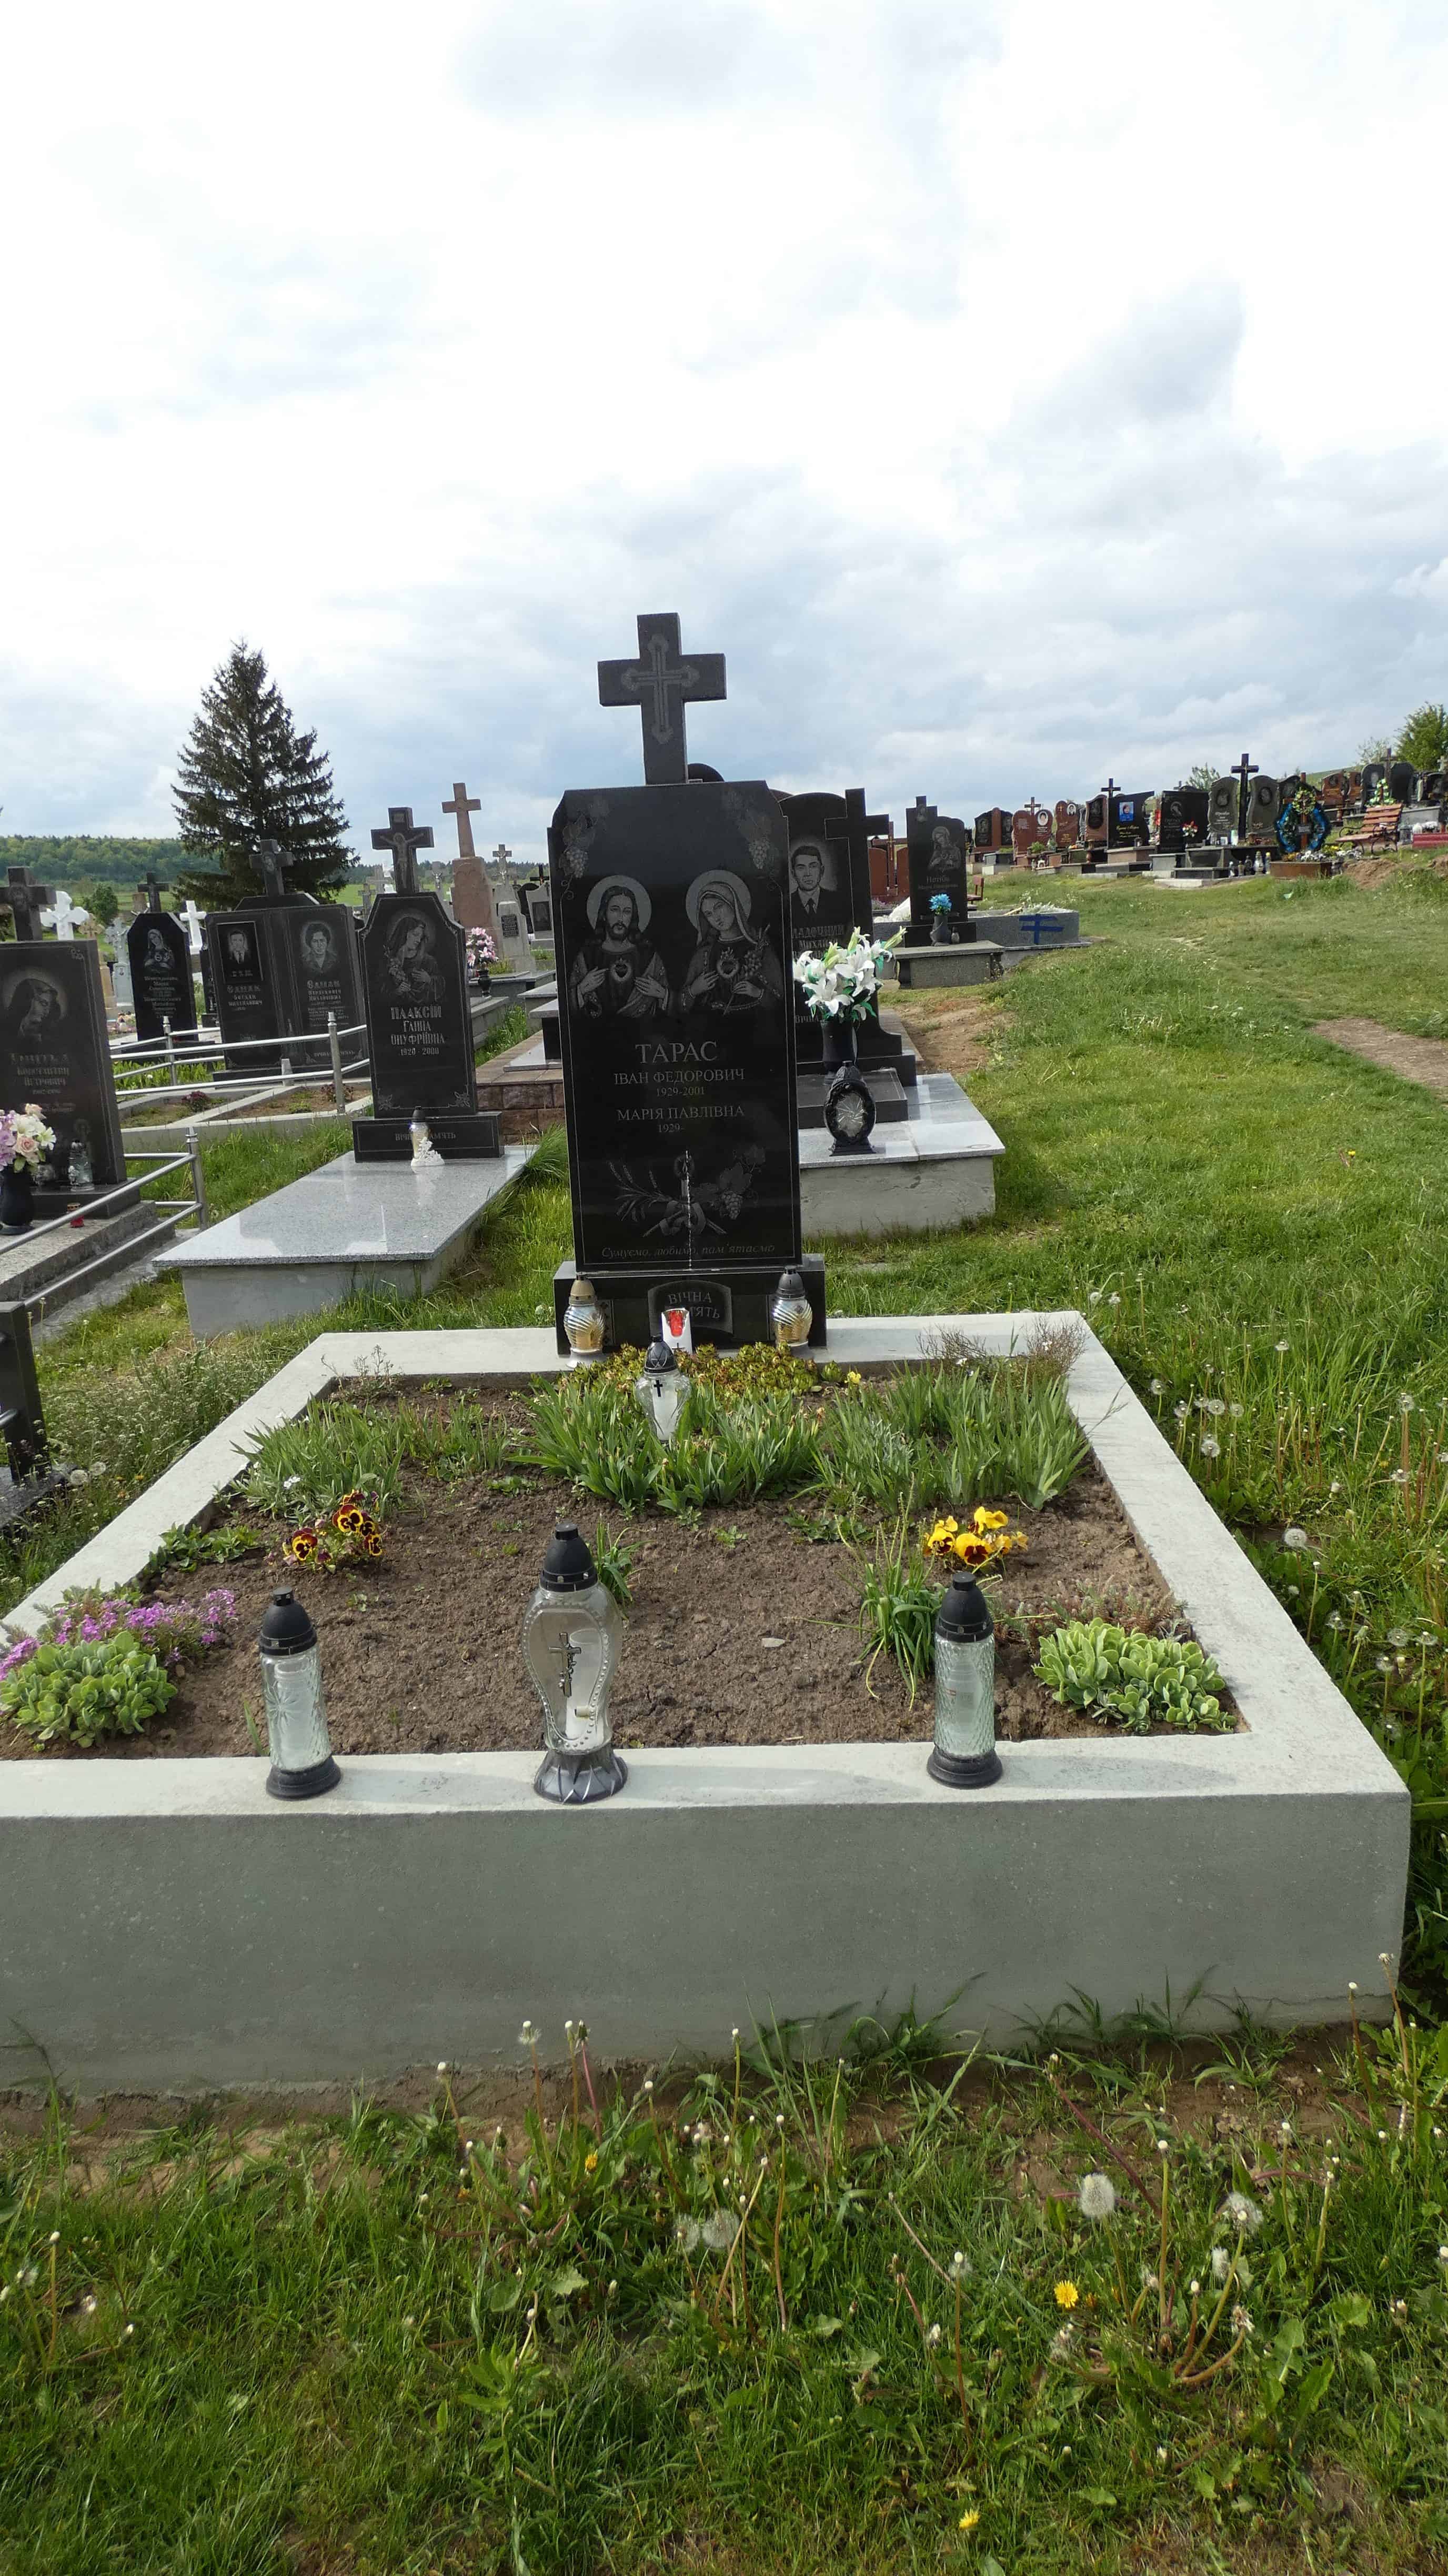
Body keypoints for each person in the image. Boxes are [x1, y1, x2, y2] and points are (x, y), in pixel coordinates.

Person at [680, 879, 782, 1019]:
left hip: (755, 1024)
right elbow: (681, 1006)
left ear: (732, 904)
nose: (716, 918)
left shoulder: (759, 945)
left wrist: (757, 993)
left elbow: (781, 1000)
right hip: (714, 1026)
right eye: (709, 914)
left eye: (719, 907)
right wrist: (693, 990)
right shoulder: (704, 953)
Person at [569, 885, 670, 1022]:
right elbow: (569, 1007)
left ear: (632, 917)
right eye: (615, 910)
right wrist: (581, 990)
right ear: (604, 914)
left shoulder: (649, 956)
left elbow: (675, 1008)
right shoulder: (587, 957)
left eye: (627, 912)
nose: (621, 919)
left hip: (642, 1031)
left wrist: (662, 994)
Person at [382, 912, 443, 1001]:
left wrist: (429, 980)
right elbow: (381, 992)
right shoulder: (390, 960)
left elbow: (441, 984)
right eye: (415, 935)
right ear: (404, 933)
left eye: (421, 937)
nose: (418, 940)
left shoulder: (429, 961)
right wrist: (398, 991)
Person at [789, 842, 830, 931]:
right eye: (801, 868)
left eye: (813, 867)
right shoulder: (785, 905)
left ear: (822, 871)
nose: (808, 874)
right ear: (793, 874)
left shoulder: (839, 901)